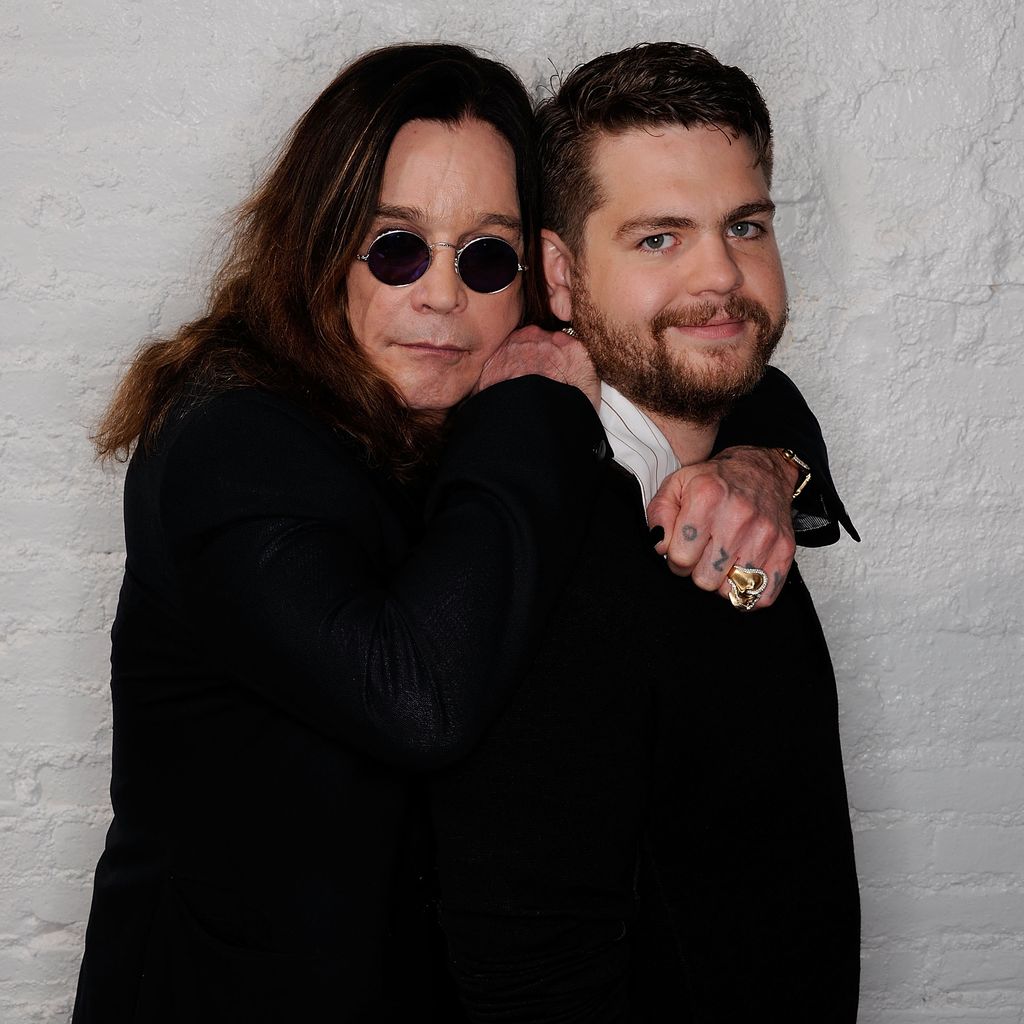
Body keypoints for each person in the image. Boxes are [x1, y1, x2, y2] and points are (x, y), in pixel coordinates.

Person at [73, 42, 839, 1023]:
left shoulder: (452, 400)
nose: (442, 295)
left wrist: (764, 464)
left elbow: (710, 352)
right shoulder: (231, 442)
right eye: (397, 247)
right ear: (320, 246)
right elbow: (417, 695)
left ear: (536, 274)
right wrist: (533, 409)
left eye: (484, 256)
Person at [428, 42, 860, 1023]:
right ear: (559, 274)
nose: (722, 276)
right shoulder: (545, 553)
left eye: (743, 226)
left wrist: (769, 462)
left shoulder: (732, 483)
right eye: (659, 238)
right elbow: (526, 962)